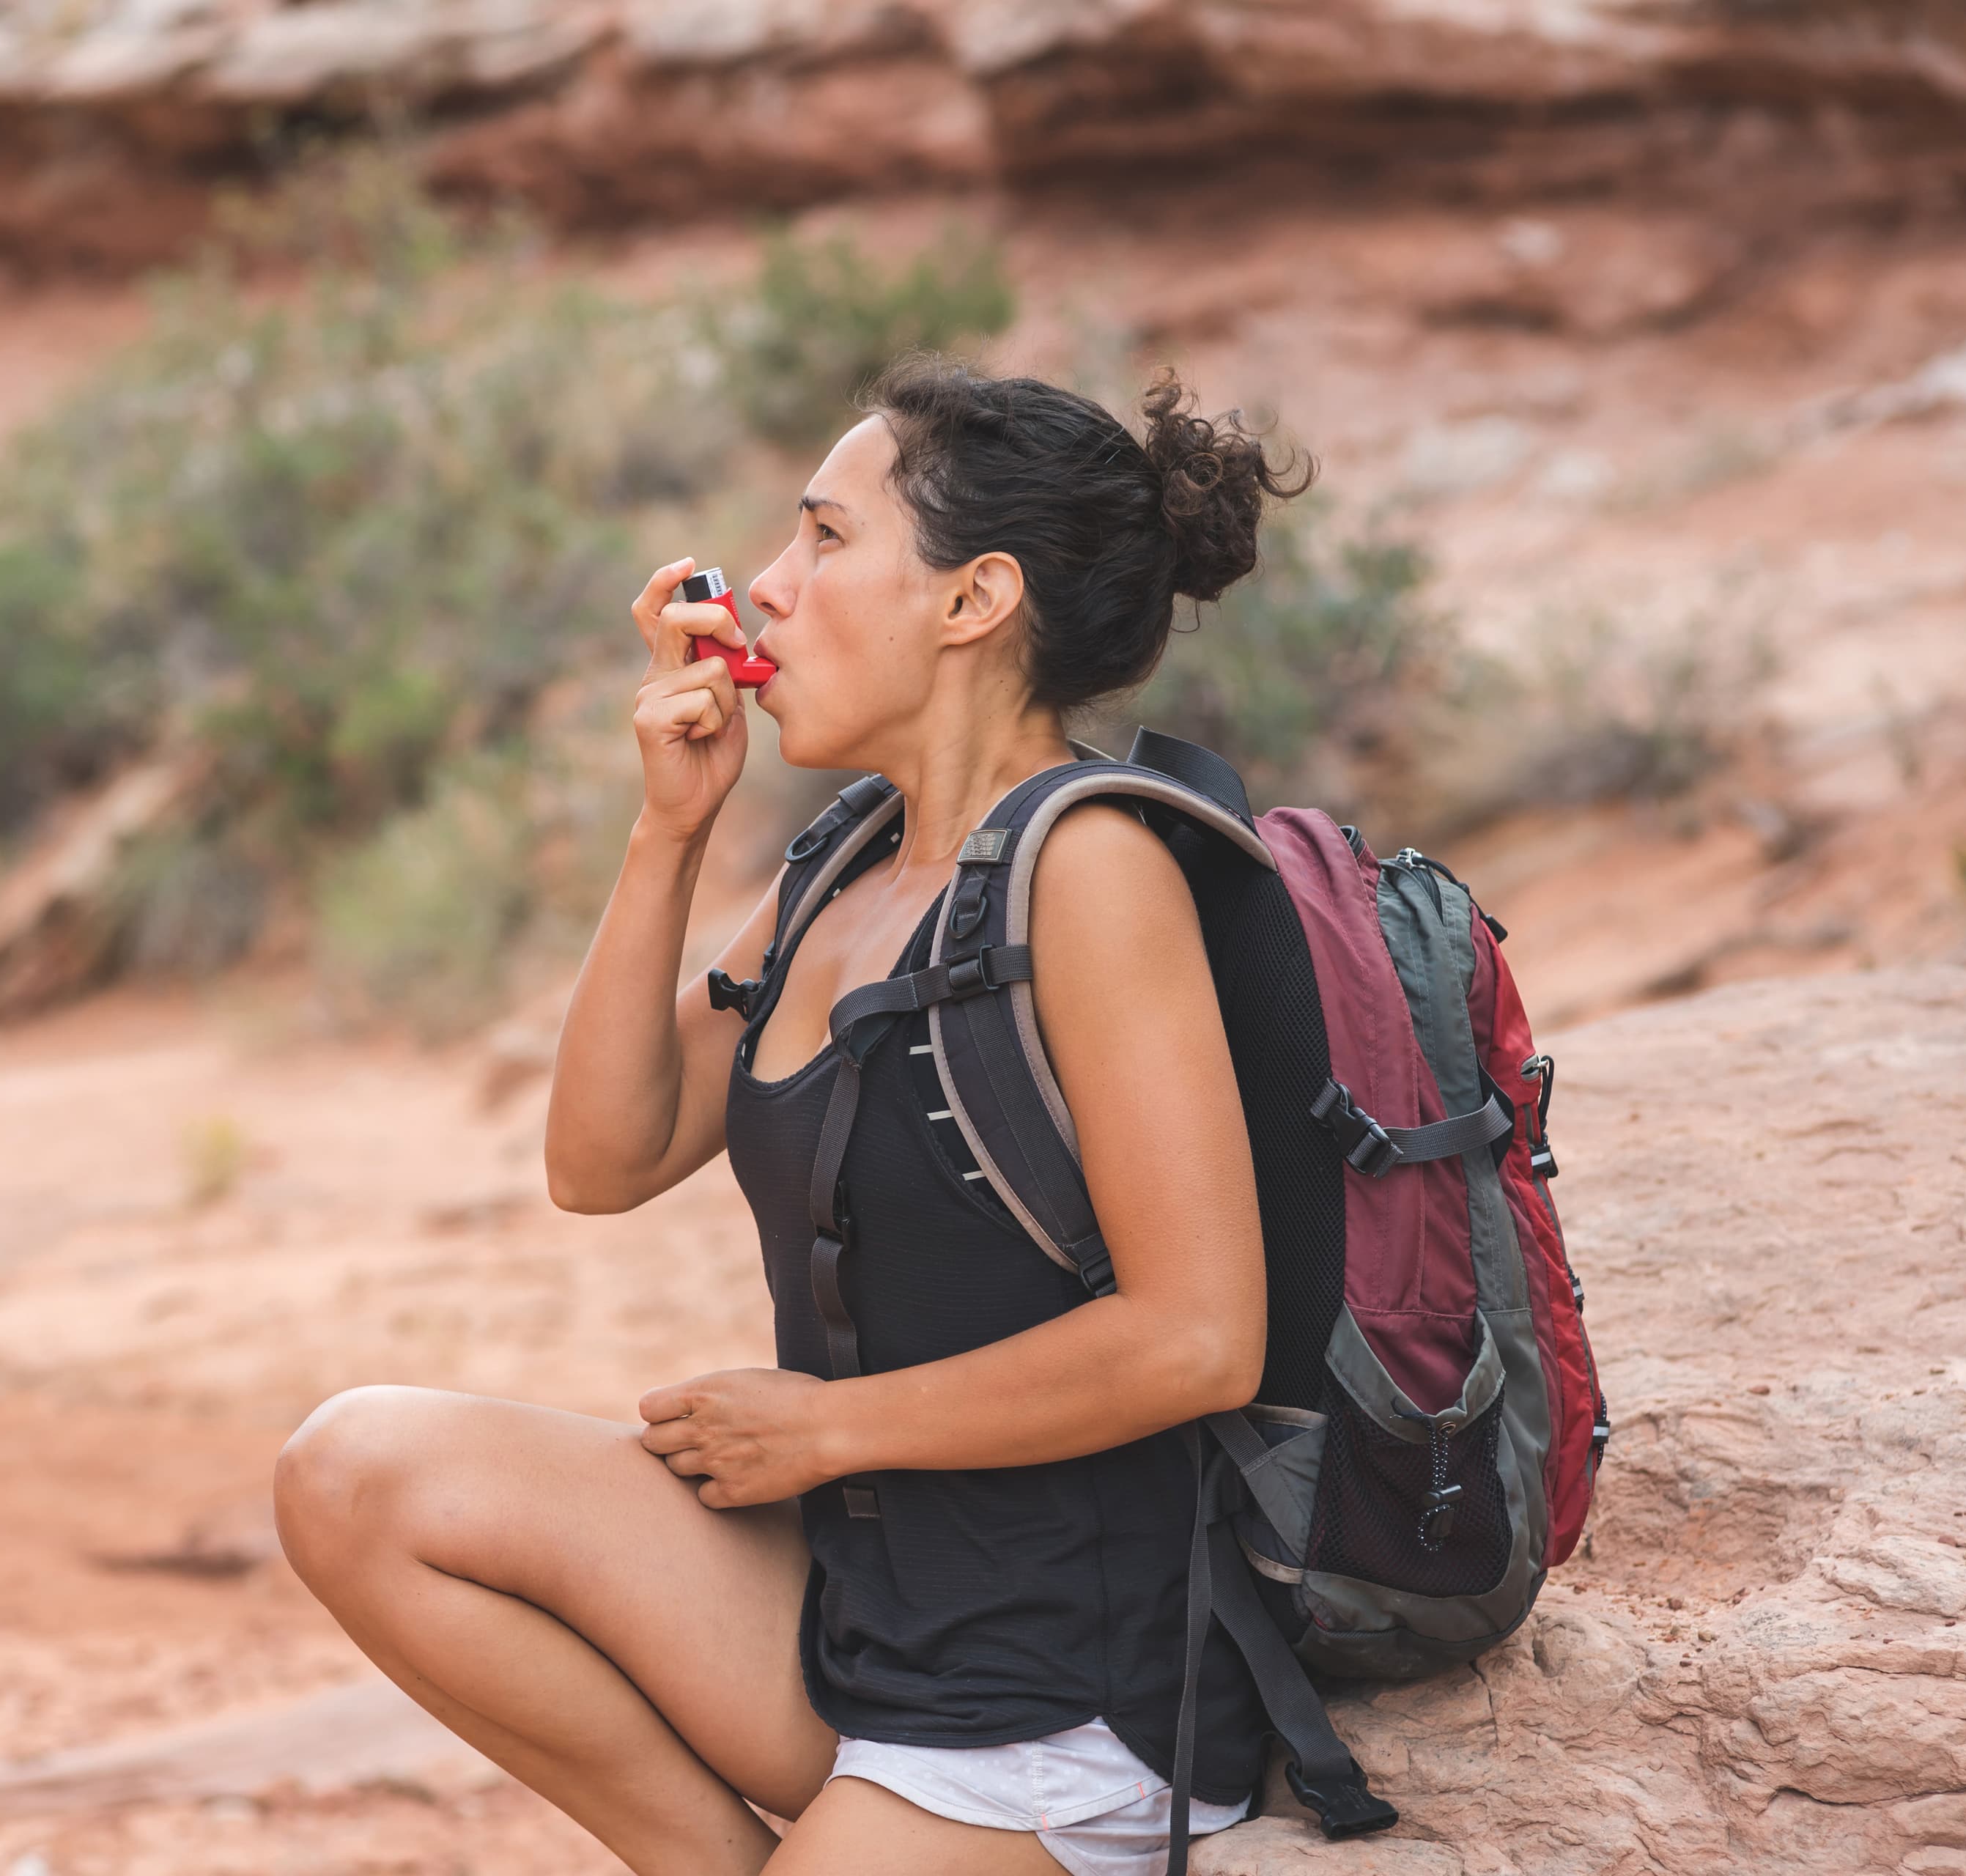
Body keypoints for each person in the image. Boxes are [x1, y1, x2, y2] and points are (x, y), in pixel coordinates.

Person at [276, 357, 1313, 1875]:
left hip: (1069, 1695)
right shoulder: (848, 864)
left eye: (825, 539)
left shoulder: (1092, 872)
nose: (765, 587)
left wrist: (827, 1427)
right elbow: (602, 1158)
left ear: (973, 602)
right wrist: (669, 829)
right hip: (857, 1613)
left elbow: (1197, 1333)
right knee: (356, 1468)